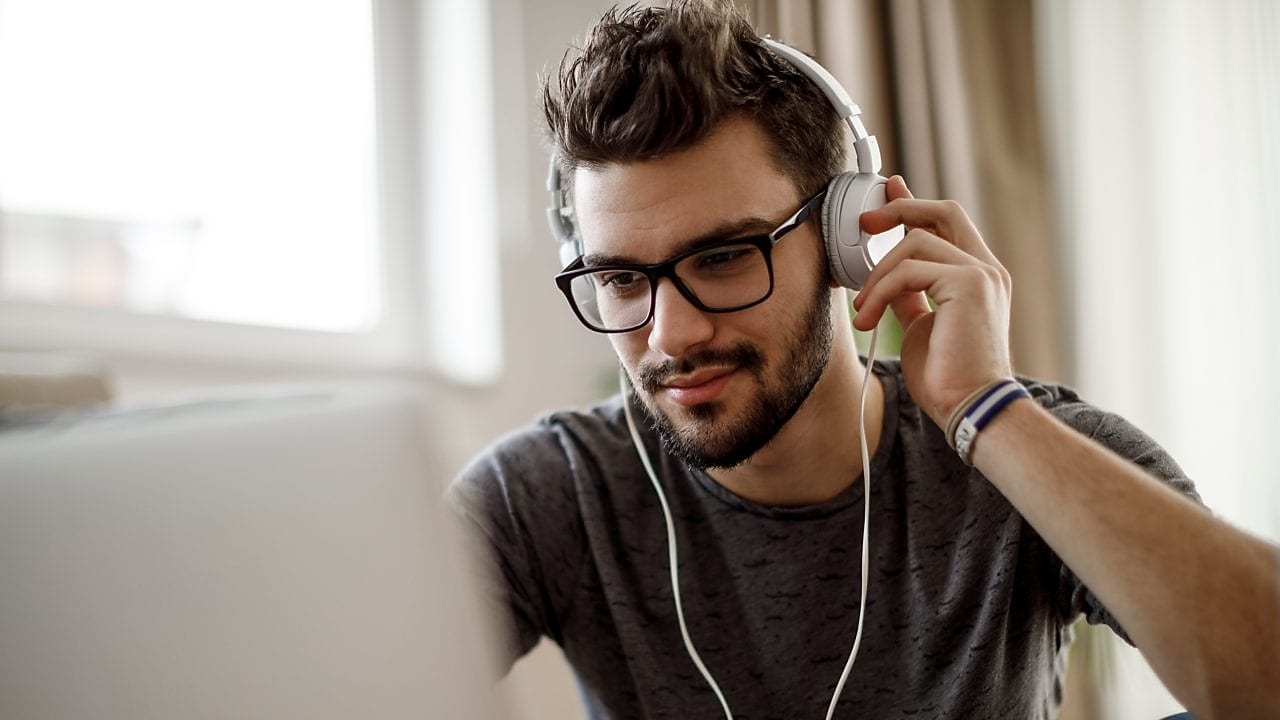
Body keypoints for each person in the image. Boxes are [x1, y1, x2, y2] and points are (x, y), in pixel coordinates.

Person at [448, 2, 1280, 718]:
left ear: (851, 238)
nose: (671, 336)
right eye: (623, 277)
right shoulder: (551, 492)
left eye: (726, 257)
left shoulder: (1026, 448)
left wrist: (982, 407)